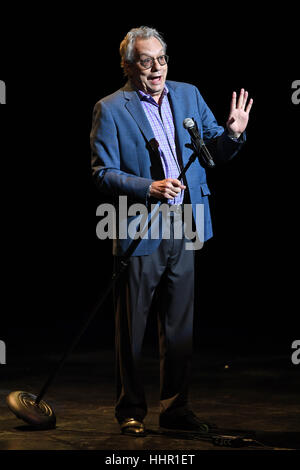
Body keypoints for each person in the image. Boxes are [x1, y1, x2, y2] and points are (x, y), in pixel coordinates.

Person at [90, 26, 253, 436]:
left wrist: (233, 133)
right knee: (133, 327)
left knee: (179, 327)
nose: (157, 67)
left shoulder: (189, 95)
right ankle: (130, 409)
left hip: (186, 223)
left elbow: (212, 151)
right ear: (128, 65)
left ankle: (176, 409)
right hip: (141, 225)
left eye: (161, 58)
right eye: (146, 61)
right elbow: (102, 173)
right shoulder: (110, 108)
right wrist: (149, 187)